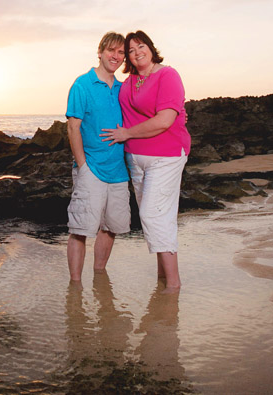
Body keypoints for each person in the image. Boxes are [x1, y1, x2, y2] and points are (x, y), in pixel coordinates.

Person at [101, 30, 190, 292]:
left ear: (150, 47)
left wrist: (126, 133)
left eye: (140, 46)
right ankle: (162, 278)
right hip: (135, 159)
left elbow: (165, 119)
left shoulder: (167, 75)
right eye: (130, 50)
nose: (136, 52)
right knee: (160, 217)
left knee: (152, 215)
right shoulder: (129, 82)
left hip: (167, 156)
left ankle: (173, 284)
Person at [65, 31, 130, 282]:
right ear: (100, 52)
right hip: (90, 169)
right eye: (111, 51)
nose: (116, 56)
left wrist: (181, 116)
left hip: (118, 172)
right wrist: (83, 167)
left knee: (111, 228)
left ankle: (99, 278)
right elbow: (73, 127)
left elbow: (147, 115)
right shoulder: (82, 84)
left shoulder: (124, 90)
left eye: (121, 52)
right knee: (80, 229)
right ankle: (75, 285)